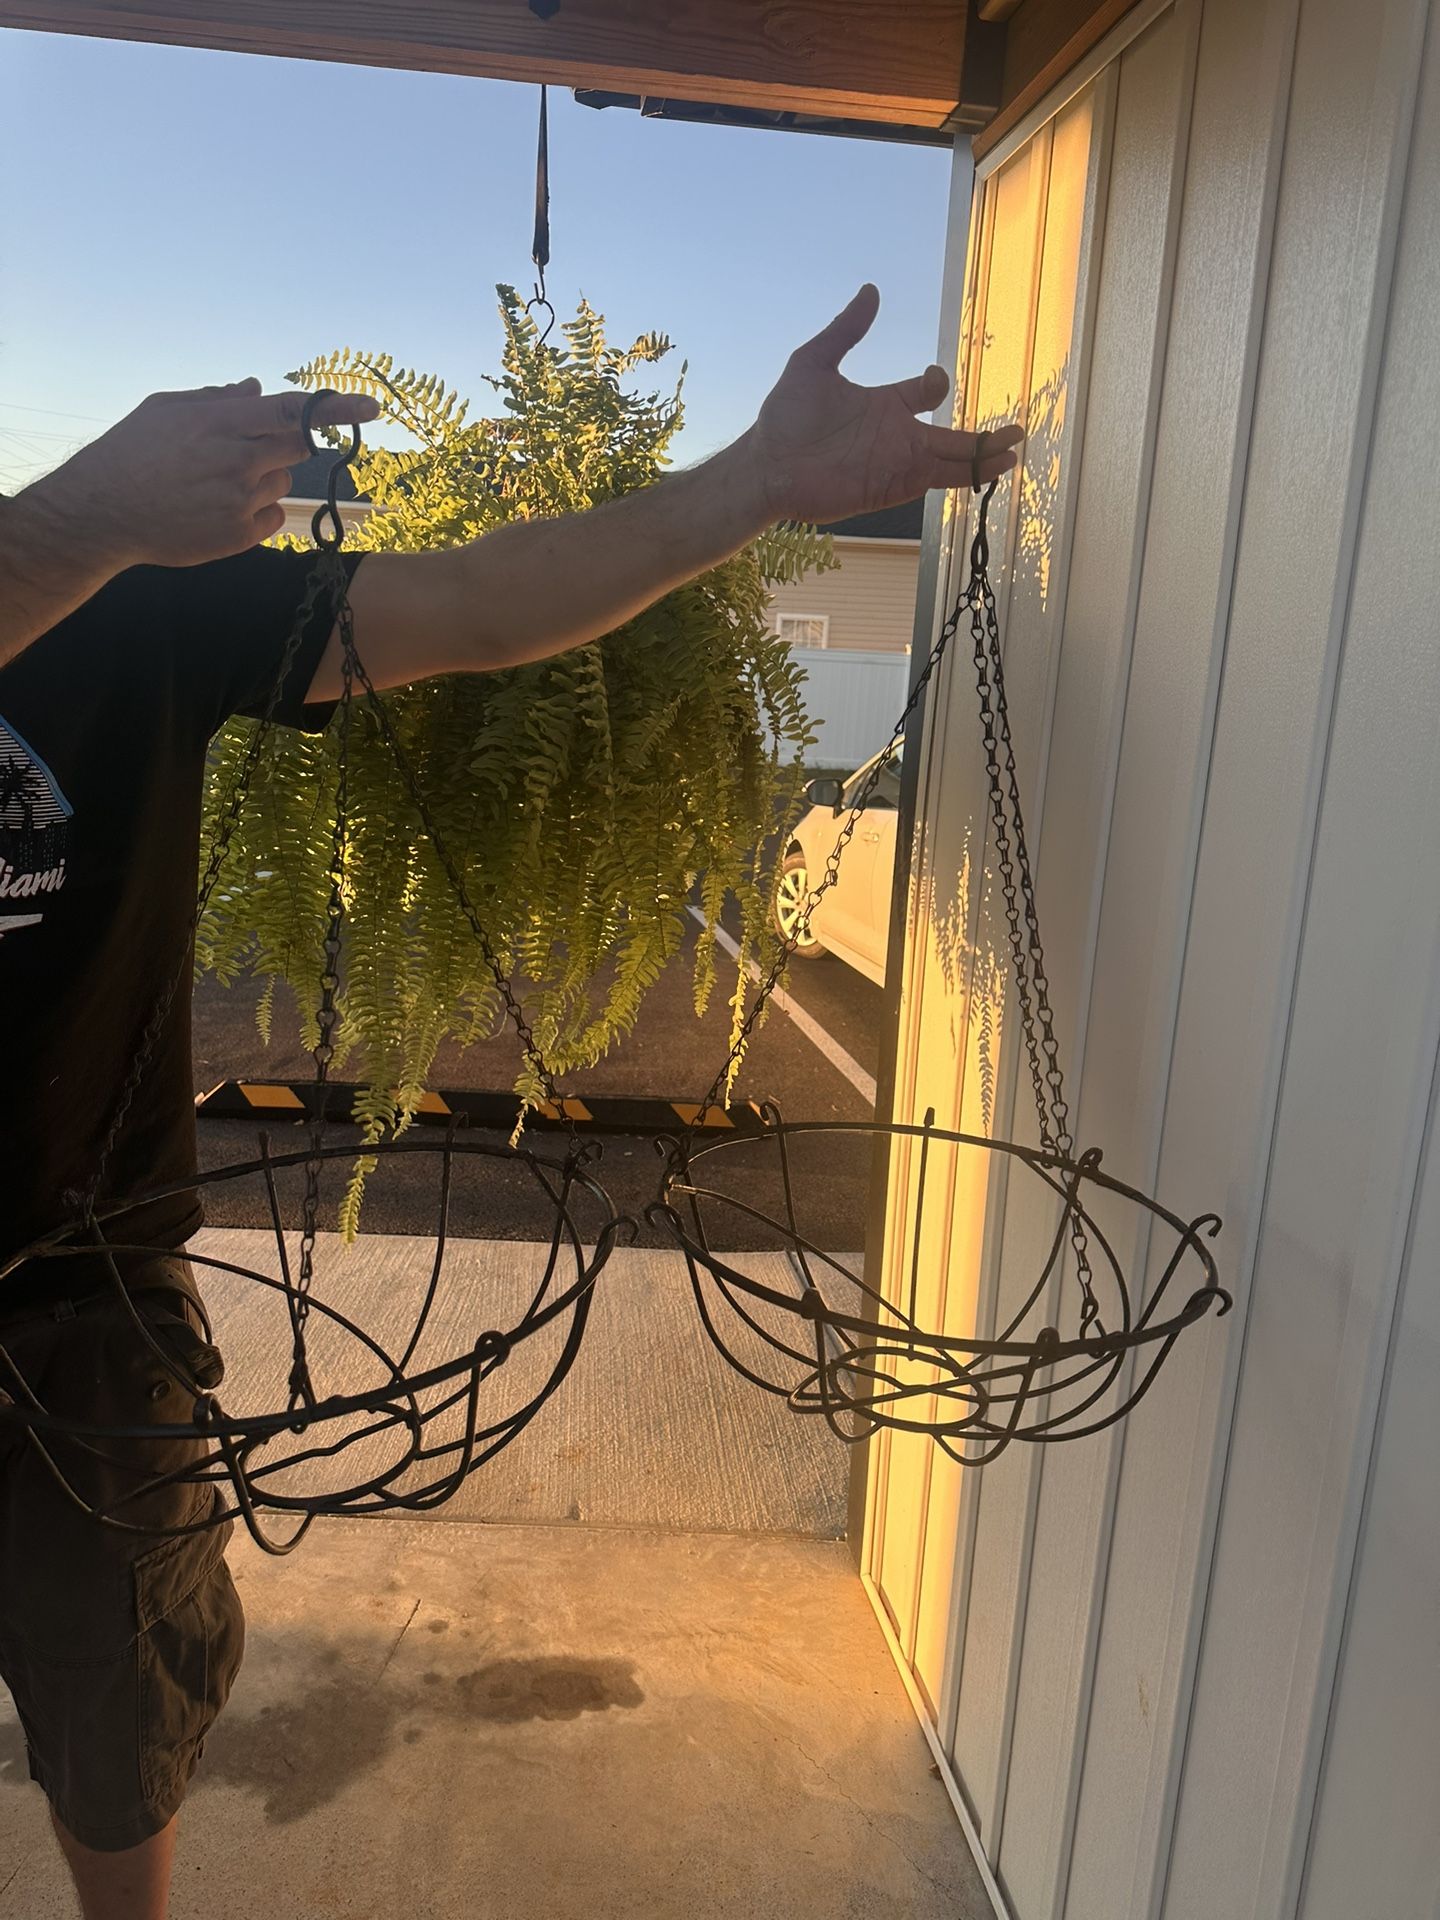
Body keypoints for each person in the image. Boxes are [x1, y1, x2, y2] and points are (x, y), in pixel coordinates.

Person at [0, 284, 1020, 1919]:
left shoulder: (133, 616)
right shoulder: (74, 545)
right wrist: (75, 518)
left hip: (90, 1295)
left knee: (121, 1700)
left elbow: (479, 599)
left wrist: (751, 485)